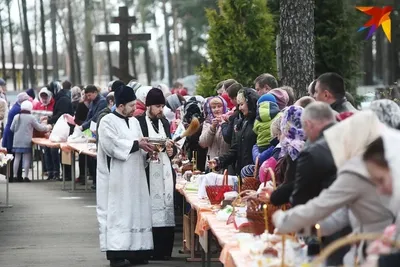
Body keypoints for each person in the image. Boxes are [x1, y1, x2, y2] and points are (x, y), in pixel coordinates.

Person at [273, 111, 395, 265]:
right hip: (360, 256)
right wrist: (305, 229)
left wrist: (286, 220)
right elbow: (342, 215)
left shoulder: (362, 172)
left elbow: (324, 203)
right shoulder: (363, 169)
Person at [97, 85, 155, 267]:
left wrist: (148, 151)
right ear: (120, 105)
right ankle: (117, 253)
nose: (134, 109)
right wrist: (137, 144)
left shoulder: (135, 121)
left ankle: (137, 250)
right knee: (119, 212)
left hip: (136, 175)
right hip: (117, 177)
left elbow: (139, 143)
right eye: (130, 106)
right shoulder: (107, 121)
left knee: (137, 210)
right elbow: (111, 145)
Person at [136, 88, 177, 260]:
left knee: (167, 208)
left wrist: (171, 149)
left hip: (165, 171)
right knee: (150, 210)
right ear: (149, 106)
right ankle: (151, 249)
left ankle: (165, 250)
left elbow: (171, 147)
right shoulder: (140, 122)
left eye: (162, 106)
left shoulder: (165, 123)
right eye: (157, 106)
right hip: (149, 170)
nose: (161, 109)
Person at [209, 88, 259, 176]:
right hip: (241, 173)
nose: (240, 108)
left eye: (242, 104)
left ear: (250, 103)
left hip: (253, 173)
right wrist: (219, 161)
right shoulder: (241, 122)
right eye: (239, 105)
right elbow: (235, 149)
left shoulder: (258, 123)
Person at [11, 101, 52, 182]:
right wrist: (48, 127)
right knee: (27, 158)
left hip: (17, 141)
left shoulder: (16, 116)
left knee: (17, 158)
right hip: (27, 141)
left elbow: (12, 128)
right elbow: (39, 128)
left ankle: (15, 176)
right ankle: (26, 177)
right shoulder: (31, 117)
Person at [45, 81, 74, 181]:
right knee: (62, 152)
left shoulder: (62, 99)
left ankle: (67, 174)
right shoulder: (61, 98)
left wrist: (50, 120)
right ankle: (65, 174)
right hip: (64, 129)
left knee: (64, 152)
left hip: (65, 130)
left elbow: (61, 114)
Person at [2, 93, 30, 180]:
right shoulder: (19, 110)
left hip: (9, 133)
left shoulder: (15, 107)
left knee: (12, 155)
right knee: (14, 156)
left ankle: (11, 176)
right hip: (12, 135)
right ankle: (15, 176)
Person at [199, 96, 230, 170]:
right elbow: (203, 143)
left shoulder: (230, 121)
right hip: (211, 164)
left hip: (227, 164)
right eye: (213, 107)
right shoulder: (207, 123)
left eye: (219, 106)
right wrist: (212, 127)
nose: (217, 109)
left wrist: (224, 124)